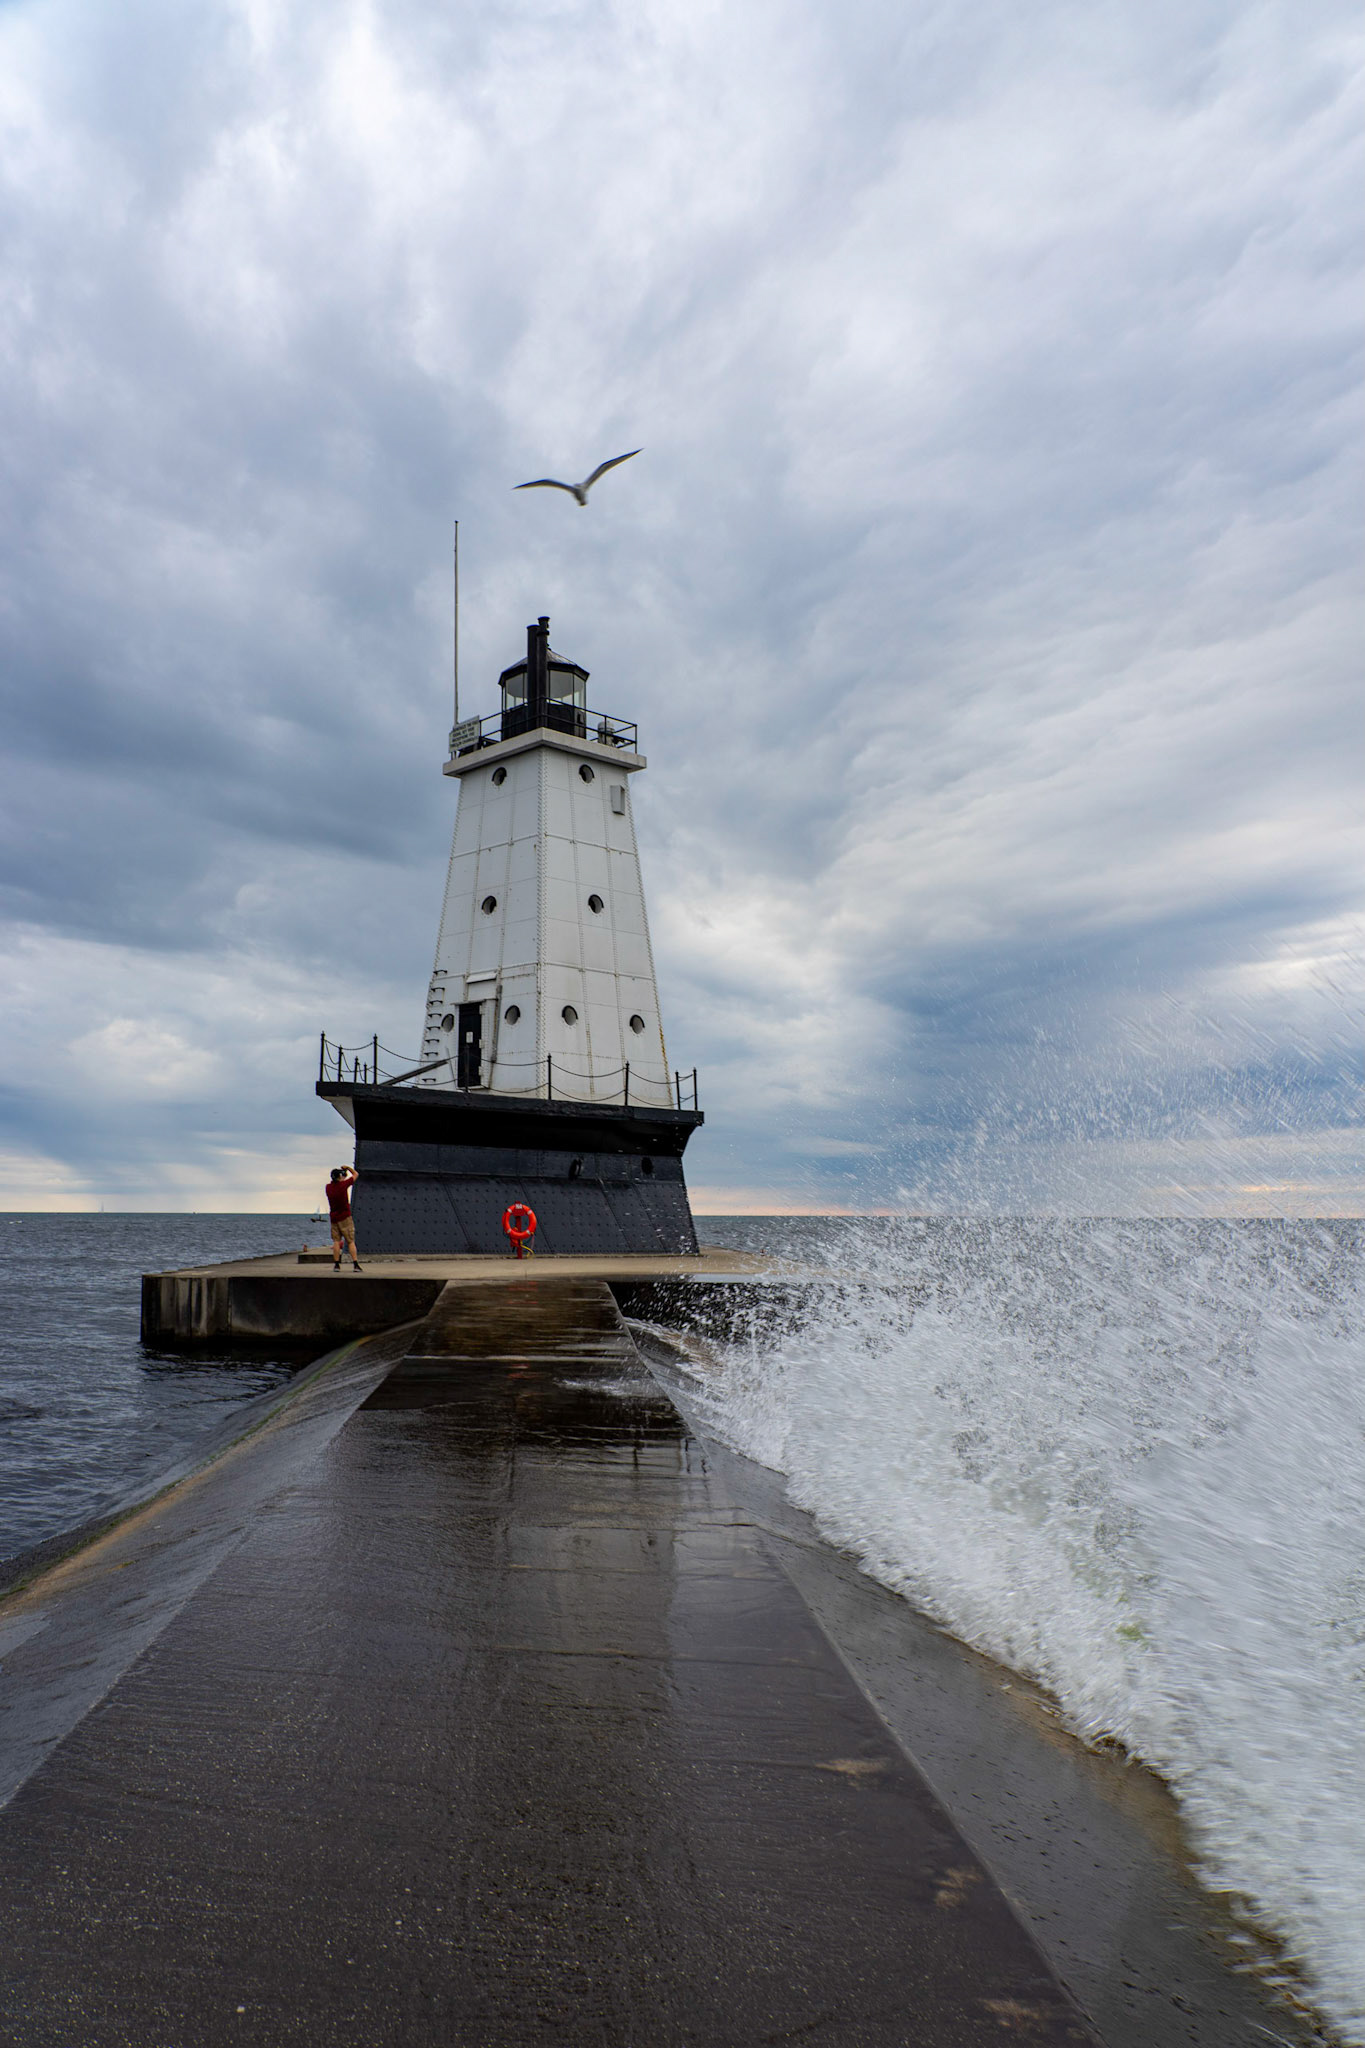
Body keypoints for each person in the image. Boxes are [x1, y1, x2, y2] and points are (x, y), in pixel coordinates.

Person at [326, 1166, 362, 1271]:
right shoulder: (343, 1185)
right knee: (350, 1241)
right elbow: (356, 1174)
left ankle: (336, 1265)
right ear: (340, 1177)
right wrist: (348, 1168)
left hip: (334, 1218)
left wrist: (342, 1176)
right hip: (345, 1217)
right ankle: (355, 1264)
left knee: (336, 1241)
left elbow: (338, 1182)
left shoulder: (328, 1187)